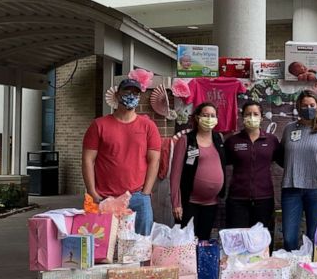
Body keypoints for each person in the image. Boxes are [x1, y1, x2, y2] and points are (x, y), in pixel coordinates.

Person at [82, 77, 161, 235]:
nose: (132, 96)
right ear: (117, 95)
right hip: (105, 198)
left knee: (141, 249)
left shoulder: (148, 127)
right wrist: (93, 193)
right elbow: (87, 160)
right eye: (127, 92)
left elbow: (154, 160)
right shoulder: (99, 125)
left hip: (138, 197)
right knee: (103, 249)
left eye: (136, 93)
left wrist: (146, 192)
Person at [280, 90, 317, 250]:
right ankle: (292, 270)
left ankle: (311, 272)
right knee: (289, 236)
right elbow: (282, 156)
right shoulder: (289, 129)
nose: (308, 108)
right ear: (298, 107)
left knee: (314, 237)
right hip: (291, 189)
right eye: (304, 105)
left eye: (312, 105)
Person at [169, 102, 227, 243]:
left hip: (211, 203)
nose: (209, 119)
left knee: (204, 240)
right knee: (187, 242)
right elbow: (175, 174)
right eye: (205, 115)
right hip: (190, 202)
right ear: (197, 117)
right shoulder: (186, 140)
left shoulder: (218, 138)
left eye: (212, 116)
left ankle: (201, 265)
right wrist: (176, 203)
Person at [224, 100, 282, 234]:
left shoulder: (271, 140)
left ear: (262, 118)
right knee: (237, 240)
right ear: (242, 117)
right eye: (248, 114)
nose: (252, 117)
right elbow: (220, 164)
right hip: (237, 199)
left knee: (260, 241)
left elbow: (282, 161)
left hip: (264, 199)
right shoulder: (232, 141)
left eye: (255, 114)